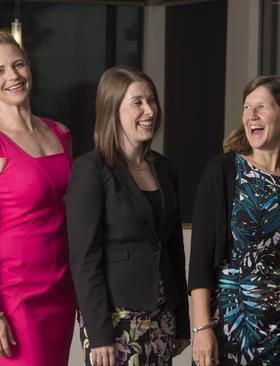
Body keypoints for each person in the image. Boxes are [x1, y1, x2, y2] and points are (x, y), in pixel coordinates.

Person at [0, 31, 76, 365]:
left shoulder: (60, 134)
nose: (13, 76)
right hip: (16, 297)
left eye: (18, 64)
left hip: (62, 289)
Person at [188, 75, 280, 366]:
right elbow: (199, 260)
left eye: (261, 107)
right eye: (247, 108)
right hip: (229, 328)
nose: (251, 116)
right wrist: (202, 328)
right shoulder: (223, 170)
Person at [65, 66, 190, 366]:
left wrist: (182, 320)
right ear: (112, 109)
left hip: (162, 317)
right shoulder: (91, 170)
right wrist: (98, 334)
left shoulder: (165, 168)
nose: (149, 110)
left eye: (152, 100)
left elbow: (173, 248)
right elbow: (84, 259)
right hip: (116, 320)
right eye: (137, 102)